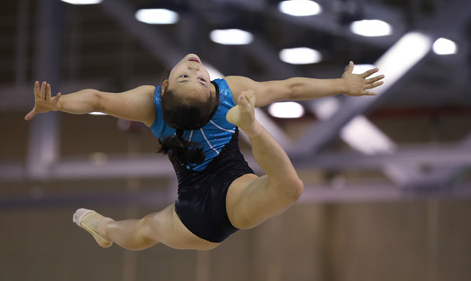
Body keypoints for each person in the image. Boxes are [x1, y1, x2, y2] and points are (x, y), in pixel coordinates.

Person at [24, 54, 384, 251]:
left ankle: (104, 227)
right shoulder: (157, 104)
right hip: (196, 210)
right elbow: (99, 101)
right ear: (165, 87)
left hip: (231, 191)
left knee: (149, 228)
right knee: (147, 228)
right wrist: (61, 105)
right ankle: (250, 126)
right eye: (189, 78)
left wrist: (58, 105)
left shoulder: (164, 101)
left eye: (198, 78)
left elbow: (290, 88)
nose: (196, 71)